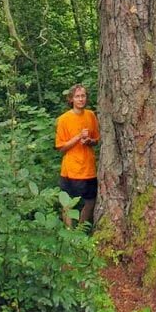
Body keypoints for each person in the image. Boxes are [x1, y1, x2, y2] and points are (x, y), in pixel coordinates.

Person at [55, 84, 100, 226]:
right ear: (71, 99)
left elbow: (96, 140)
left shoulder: (91, 115)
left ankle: (80, 229)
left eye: (83, 96)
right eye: (77, 96)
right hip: (70, 170)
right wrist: (78, 137)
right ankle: (69, 231)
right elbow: (61, 147)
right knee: (67, 203)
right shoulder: (64, 119)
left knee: (91, 200)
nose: (81, 99)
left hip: (88, 169)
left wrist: (89, 141)